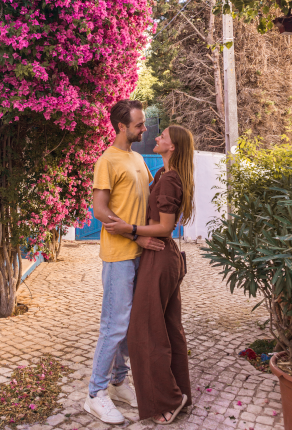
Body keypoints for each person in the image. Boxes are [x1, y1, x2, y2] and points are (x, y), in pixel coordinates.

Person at [104, 125, 194, 425]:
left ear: (173, 147)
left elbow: (166, 227)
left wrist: (130, 230)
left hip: (160, 256)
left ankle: (169, 399)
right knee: (168, 327)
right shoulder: (163, 175)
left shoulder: (169, 179)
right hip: (162, 256)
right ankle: (180, 392)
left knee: (144, 330)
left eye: (163, 137)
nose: (156, 137)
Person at [84, 99, 165, 425]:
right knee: (114, 325)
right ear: (120, 126)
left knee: (129, 325)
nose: (144, 129)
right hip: (119, 255)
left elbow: (146, 198)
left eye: (143, 123)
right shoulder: (108, 160)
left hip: (139, 253)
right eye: (138, 125)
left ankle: (118, 382)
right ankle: (95, 394)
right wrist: (136, 236)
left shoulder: (135, 158)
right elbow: (100, 211)